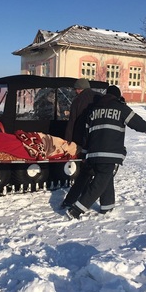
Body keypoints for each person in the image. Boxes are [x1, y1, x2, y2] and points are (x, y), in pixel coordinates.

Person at [66, 85, 146, 219]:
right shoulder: (120, 107)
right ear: (117, 96)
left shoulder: (93, 110)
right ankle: (77, 209)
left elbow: (86, 134)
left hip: (93, 152)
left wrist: (84, 152)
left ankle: (107, 206)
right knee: (100, 181)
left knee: (106, 177)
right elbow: (137, 123)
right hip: (110, 153)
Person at [61, 78, 101, 208]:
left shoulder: (77, 100)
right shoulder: (99, 97)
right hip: (97, 136)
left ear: (79, 89)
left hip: (81, 137)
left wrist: (68, 138)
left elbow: (72, 121)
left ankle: (77, 195)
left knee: (83, 167)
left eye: (76, 89)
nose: (75, 91)